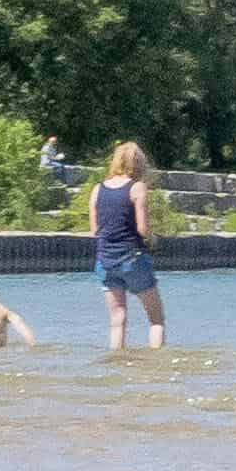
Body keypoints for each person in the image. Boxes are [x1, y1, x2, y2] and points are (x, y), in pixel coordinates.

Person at [90, 140, 168, 350]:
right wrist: (153, 240)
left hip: (105, 261)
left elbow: (95, 230)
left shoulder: (97, 190)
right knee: (156, 319)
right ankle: (156, 366)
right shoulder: (137, 188)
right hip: (132, 259)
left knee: (117, 319)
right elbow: (143, 229)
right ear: (139, 164)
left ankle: (117, 364)